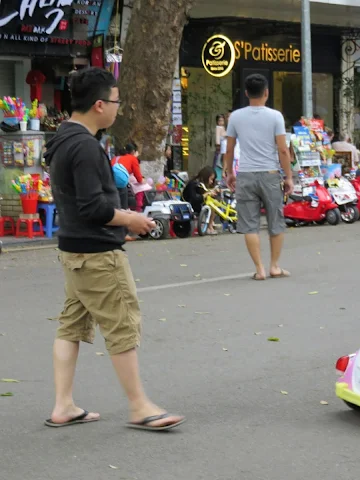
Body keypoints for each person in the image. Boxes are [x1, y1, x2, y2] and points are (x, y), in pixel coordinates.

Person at [44, 67, 185, 431]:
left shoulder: (61, 138)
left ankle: (64, 405)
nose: (118, 108)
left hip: (74, 250)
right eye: (117, 101)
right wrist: (131, 219)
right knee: (121, 324)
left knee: (71, 325)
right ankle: (140, 406)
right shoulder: (85, 146)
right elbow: (94, 207)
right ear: (99, 104)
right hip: (96, 254)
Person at [224, 73, 294, 281]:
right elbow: (282, 150)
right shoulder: (275, 117)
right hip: (270, 174)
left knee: (249, 223)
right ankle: (274, 266)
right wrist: (288, 177)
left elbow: (229, 149)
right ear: (266, 93)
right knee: (276, 220)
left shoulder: (235, 117)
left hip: (245, 174)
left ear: (246, 93)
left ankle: (259, 269)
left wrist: (229, 173)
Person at [182, 166, 218, 234]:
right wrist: (206, 194)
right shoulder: (193, 184)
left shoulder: (202, 184)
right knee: (210, 206)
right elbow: (194, 199)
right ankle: (209, 226)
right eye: (211, 179)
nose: (211, 181)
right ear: (206, 177)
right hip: (188, 205)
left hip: (197, 205)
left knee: (214, 204)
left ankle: (210, 225)